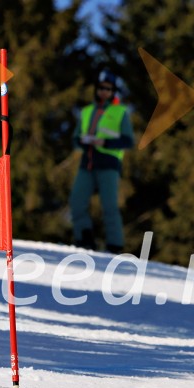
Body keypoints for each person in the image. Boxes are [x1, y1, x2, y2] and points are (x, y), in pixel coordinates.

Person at [69, 69, 134, 253]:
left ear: (113, 91)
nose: (104, 92)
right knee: (77, 202)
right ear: (96, 89)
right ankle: (84, 238)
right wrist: (82, 140)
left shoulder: (120, 112)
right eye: (101, 88)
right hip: (87, 162)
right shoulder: (87, 111)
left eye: (108, 88)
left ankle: (115, 245)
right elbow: (75, 138)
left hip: (108, 164)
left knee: (110, 206)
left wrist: (105, 142)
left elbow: (128, 140)